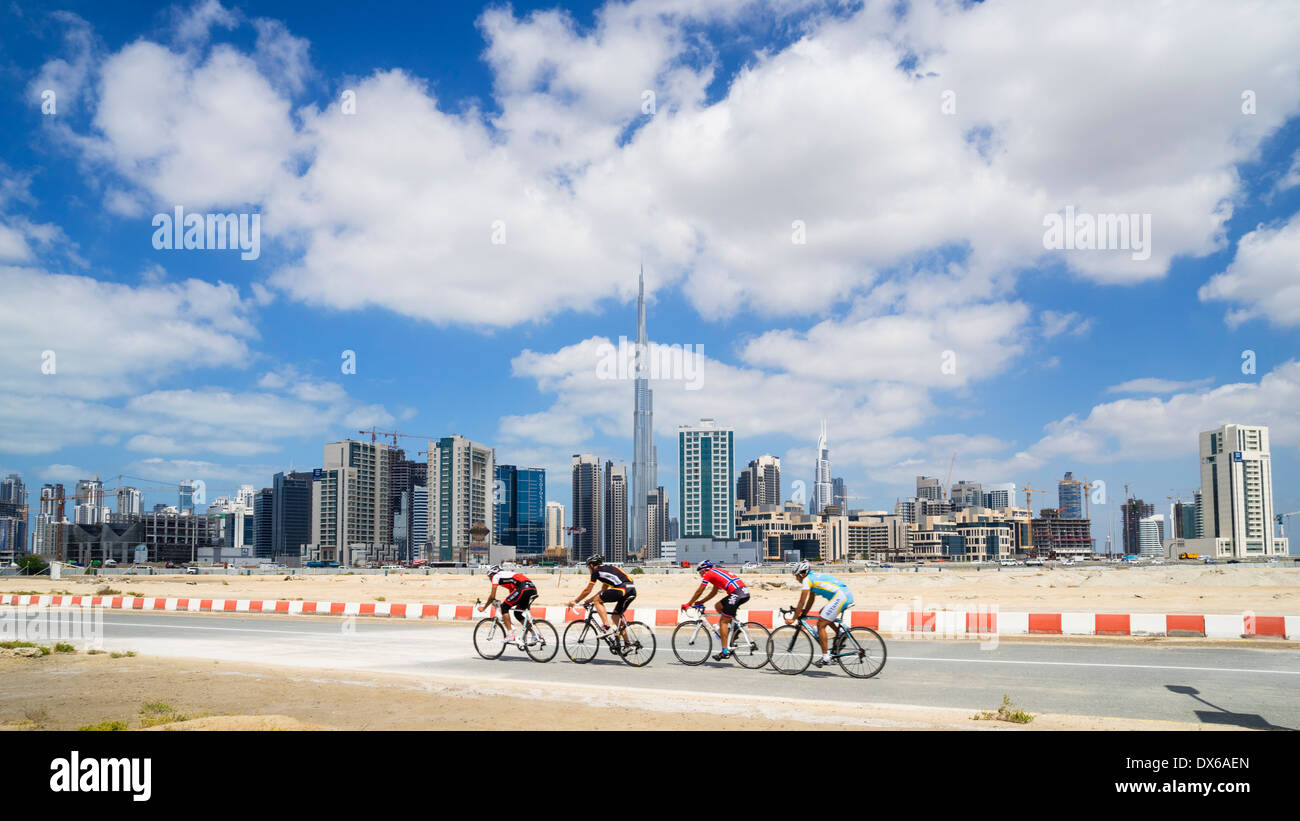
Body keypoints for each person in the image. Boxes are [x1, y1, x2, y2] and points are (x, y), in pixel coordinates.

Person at [787, 561, 854, 667]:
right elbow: (811, 599)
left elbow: (802, 601)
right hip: (844, 594)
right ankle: (840, 634)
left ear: (802, 574)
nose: (796, 579)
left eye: (796, 576)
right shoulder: (812, 578)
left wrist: (793, 618)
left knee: (820, 625)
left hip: (841, 596)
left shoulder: (807, 580)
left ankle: (826, 658)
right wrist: (804, 612)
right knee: (823, 613)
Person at [679, 560, 749, 661]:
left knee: (723, 622)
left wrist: (689, 604)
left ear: (703, 570)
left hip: (737, 594)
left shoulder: (709, 574)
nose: (701, 575)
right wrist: (701, 601)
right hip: (742, 592)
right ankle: (735, 627)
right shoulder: (715, 572)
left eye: (700, 573)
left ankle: (725, 651)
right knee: (718, 606)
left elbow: (700, 590)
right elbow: (714, 592)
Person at [567, 554, 637, 647]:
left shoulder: (596, 571)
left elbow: (588, 590)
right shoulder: (608, 569)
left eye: (588, 567)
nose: (589, 570)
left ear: (592, 565)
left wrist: (575, 601)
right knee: (615, 617)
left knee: (597, 600)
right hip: (631, 590)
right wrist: (589, 600)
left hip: (622, 589)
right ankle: (627, 644)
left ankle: (606, 627)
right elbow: (603, 591)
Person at [481, 564, 538, 643]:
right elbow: (512, 594)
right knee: (517, 613)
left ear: (492, 574)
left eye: (489, 577)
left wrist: (483, 608)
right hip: (532, 588)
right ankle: (535, 634)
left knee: (504, 607)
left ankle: (510, 634)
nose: (490, 579)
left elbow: (492, 596)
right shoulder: (507, 576)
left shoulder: (496, 576)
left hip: (524, 588)